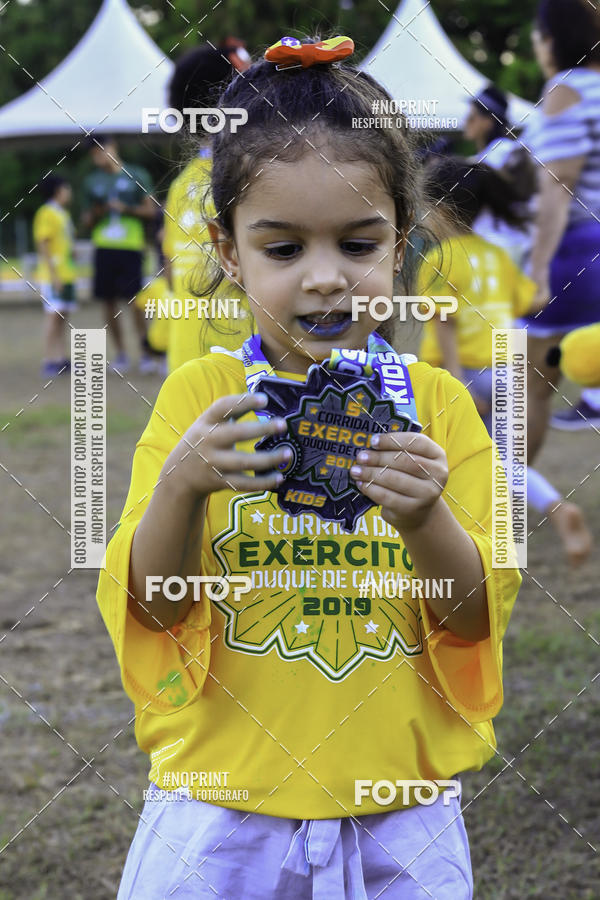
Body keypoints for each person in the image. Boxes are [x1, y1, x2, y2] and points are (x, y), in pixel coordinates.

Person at [97, 36, 521, 899]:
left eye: (358, 246)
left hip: (398, 814)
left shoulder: (438, 407)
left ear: (400, 242)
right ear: (227, 250)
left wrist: (426, 518)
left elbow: (476, 616)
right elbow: (151, 607)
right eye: (284, 250)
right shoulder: (200, 399)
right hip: (220, 812)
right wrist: (180, 486)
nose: (326, 280)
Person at [419, 157, 592, 566]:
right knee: (503, 461)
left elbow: (444, 323)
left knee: (463, 458)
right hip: (507, 370)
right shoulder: (496, 256)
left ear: (442, 209)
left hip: (467, 373)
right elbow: (531, 301)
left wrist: (456, 379)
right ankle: (541, 520)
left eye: (426, 208)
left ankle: (481, 540)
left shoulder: (439, 259)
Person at [524, 0, 600, 432]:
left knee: (524, 388)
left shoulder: (566, 88)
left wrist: (537, 270)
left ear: (551, 38)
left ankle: (507, 500)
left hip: (574, 250)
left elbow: (558, 183)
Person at [162, 41, 253, 372]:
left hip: (184, 367)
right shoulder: (252, 178)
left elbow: (172, 270)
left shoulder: (179, 185)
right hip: (245, 367)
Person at [82, 135, 156, 373]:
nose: (96, 158)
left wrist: (127, 209)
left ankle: (145, 352)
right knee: (108, 302)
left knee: (135, 302)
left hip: (130, 247)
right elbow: (85, 221)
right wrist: (97, 213)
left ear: (111, 148)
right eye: (93, 155)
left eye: (98, 152)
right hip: (104, 247)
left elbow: (151, 210)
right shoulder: (92, 181)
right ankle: (121, 354)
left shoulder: (137, 174)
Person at [463, 84, 537, 266]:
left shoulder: (501, 154)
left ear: (488, 122)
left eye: (472, 117)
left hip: (503, 250)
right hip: (507, 249)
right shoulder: (498, 153)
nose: (465, 121)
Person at [32, 175, 77, 377]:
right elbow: (43, 243)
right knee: (52, 316)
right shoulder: (46, 213)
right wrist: (54, 276)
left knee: (62, 316)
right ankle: (48, 360)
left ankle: (60, 358)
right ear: (58, 190)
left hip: (67, 274)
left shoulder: (62, 214)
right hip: (54, 276)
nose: (69, 191)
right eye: (67, 187)